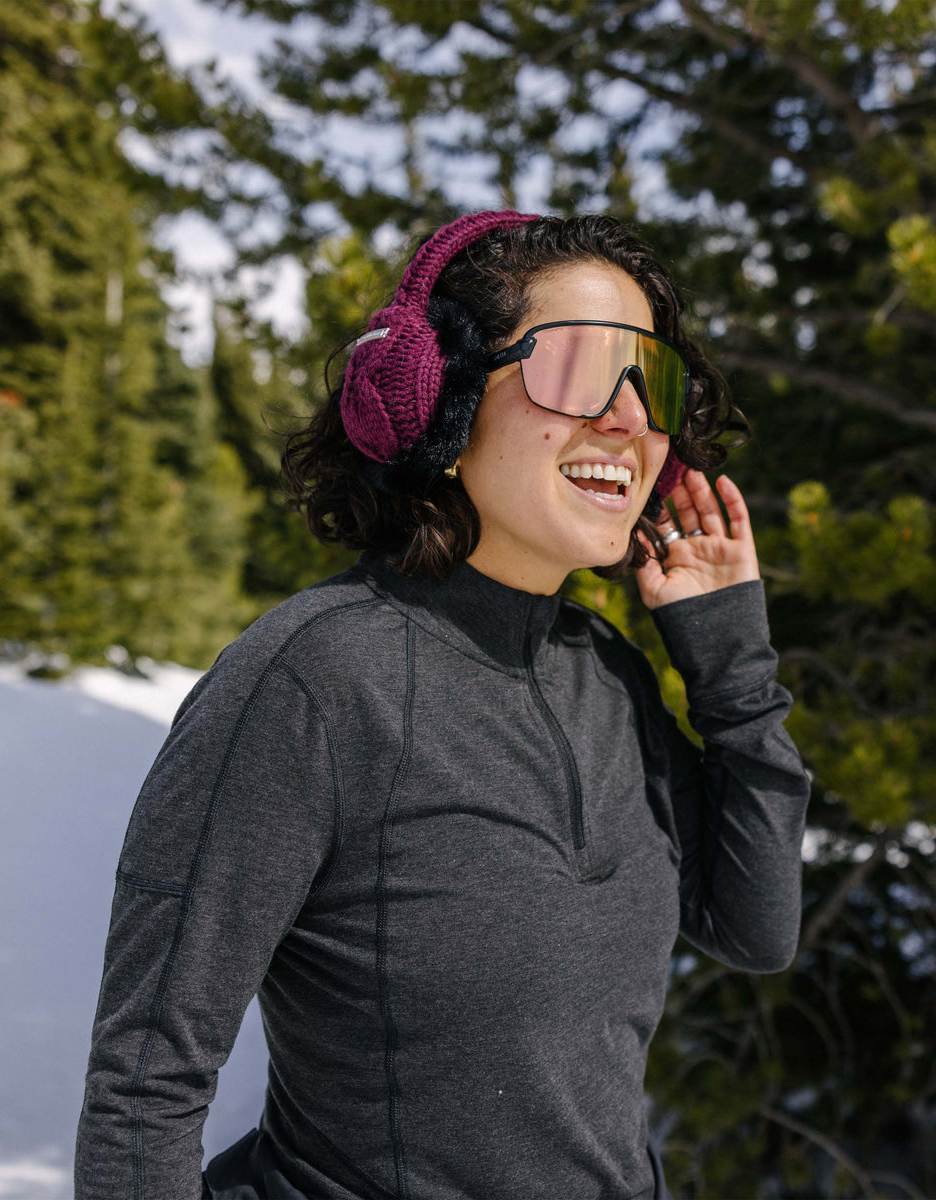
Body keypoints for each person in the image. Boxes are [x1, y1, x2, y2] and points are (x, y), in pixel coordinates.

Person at [74, 210, 810, 1200]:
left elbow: (754, 929)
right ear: (445, 400)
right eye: (584, 369)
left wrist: (733, 676)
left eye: (653, 380)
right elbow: (143, 1088)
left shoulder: (605, 678)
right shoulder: (313, 682)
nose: (629, 419)